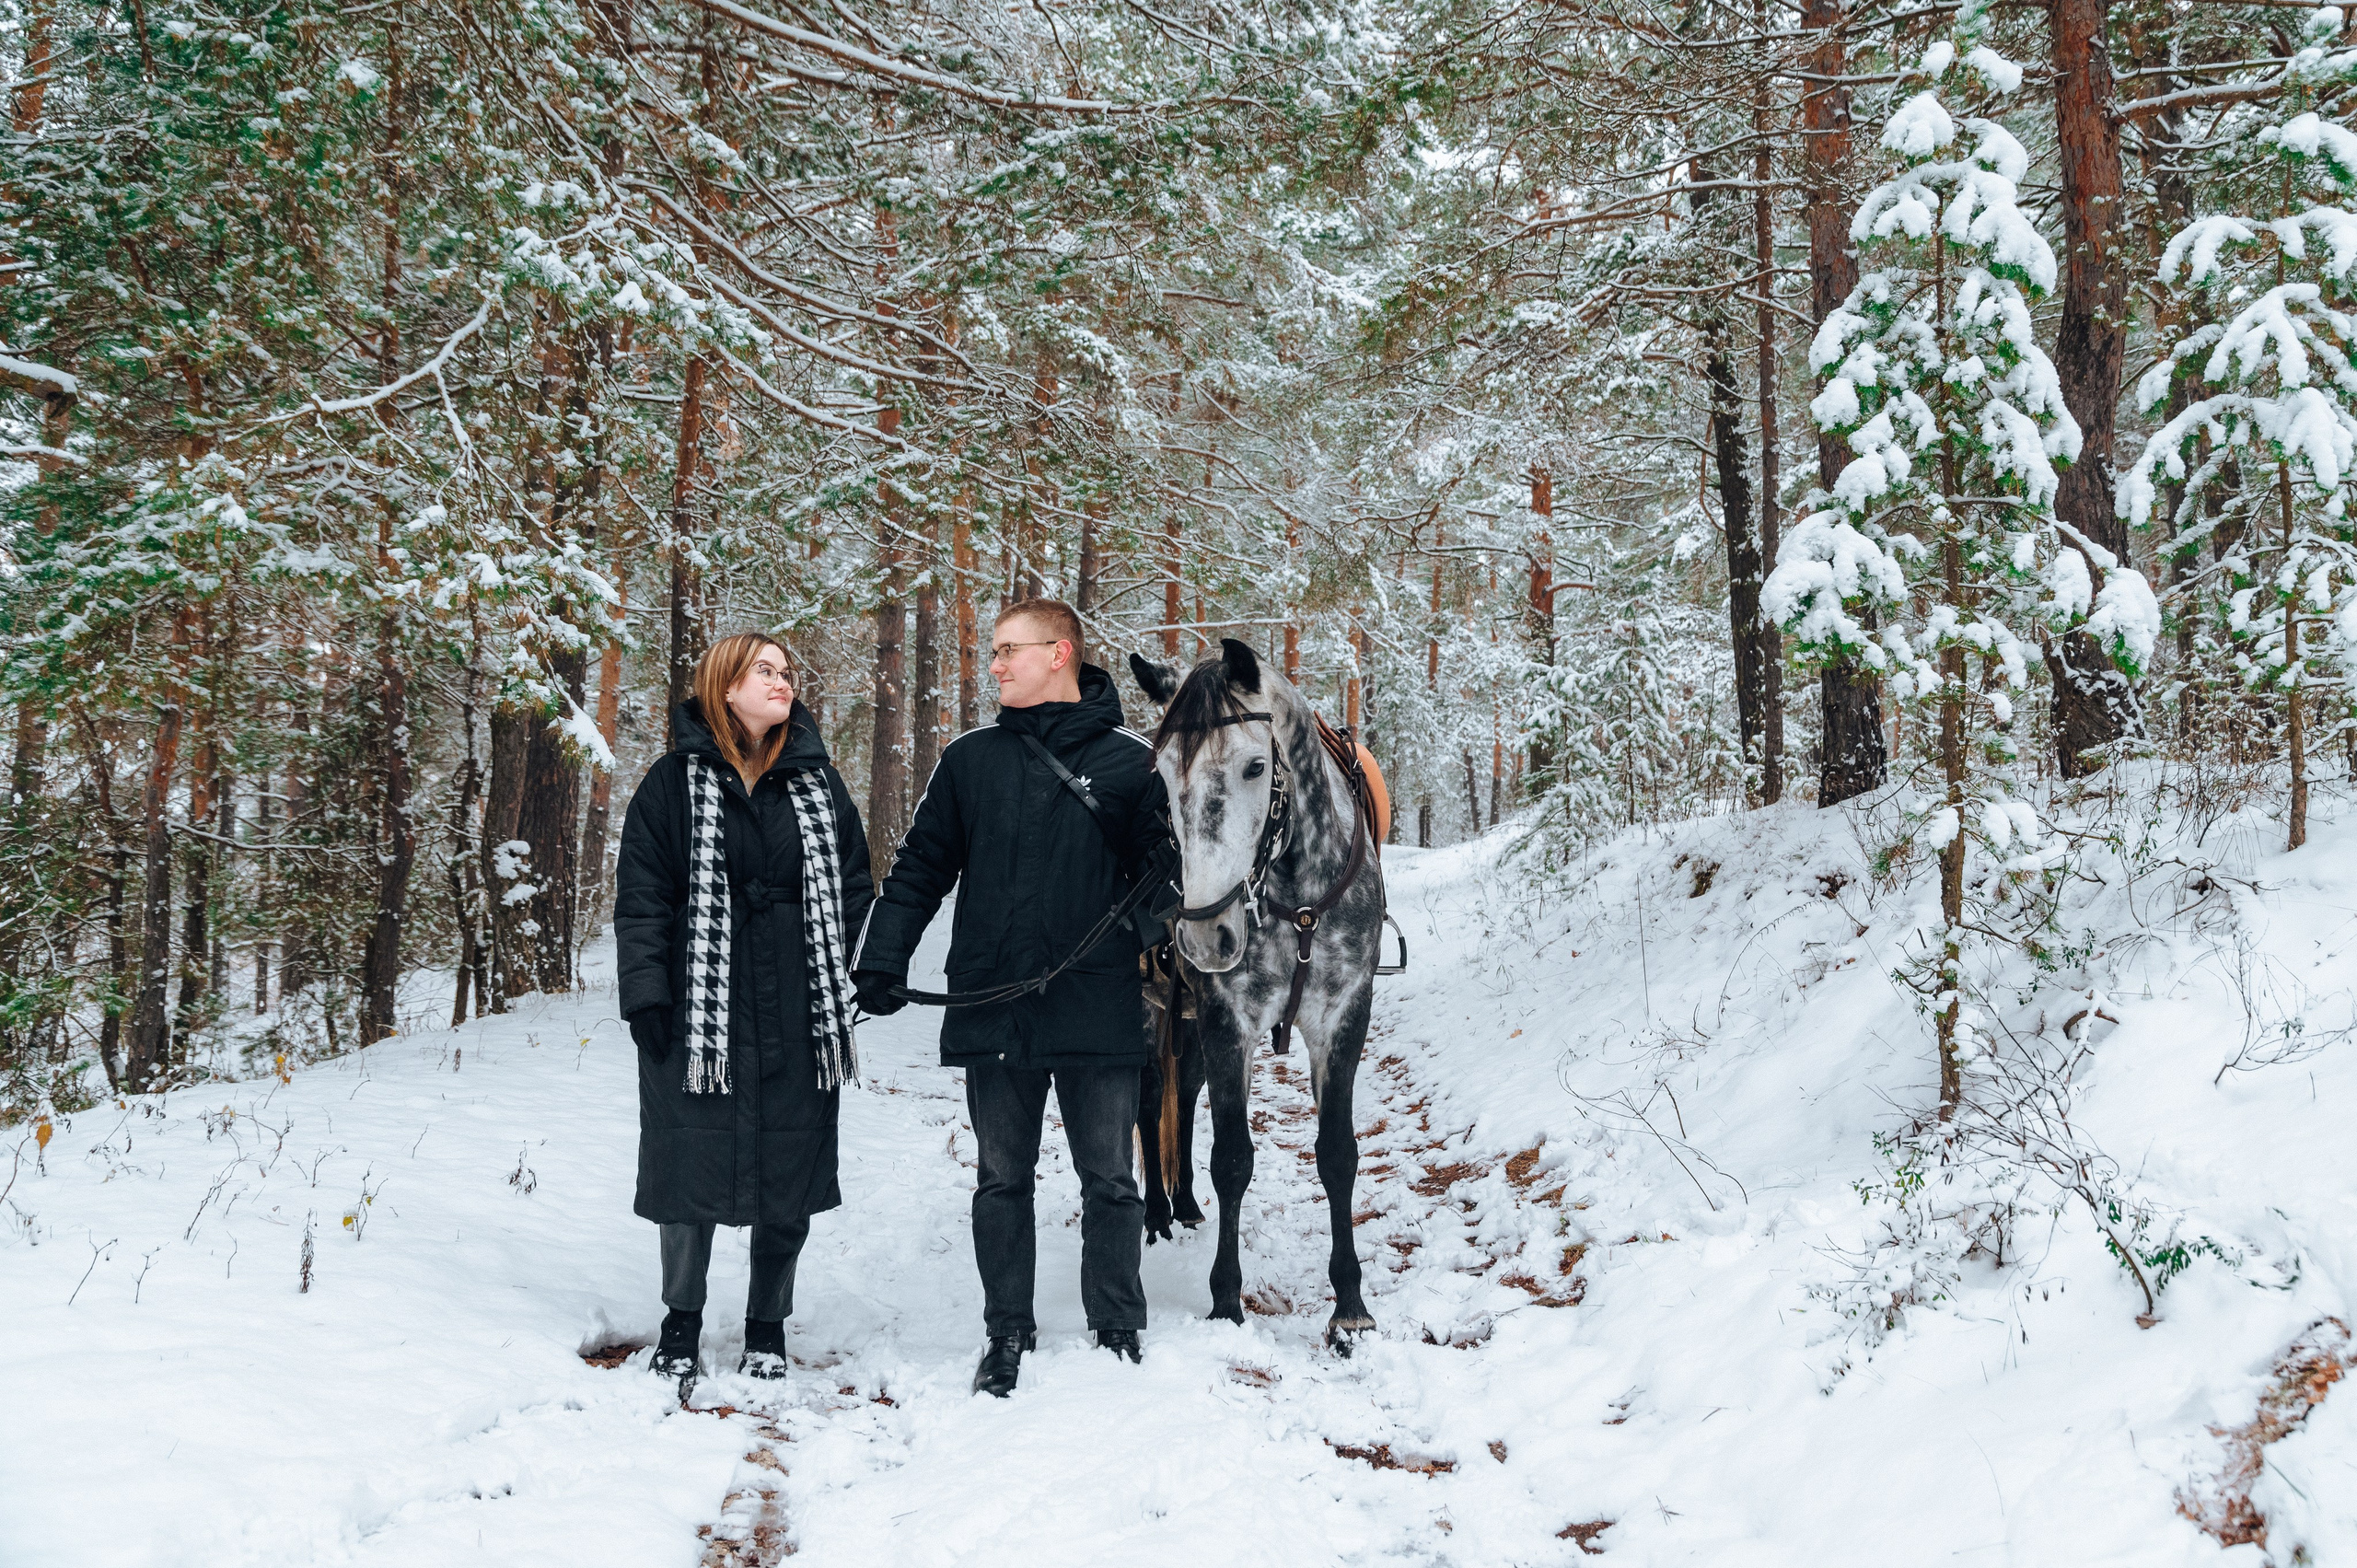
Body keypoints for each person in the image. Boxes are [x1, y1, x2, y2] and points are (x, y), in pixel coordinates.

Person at [851, 598, 1167, 1397]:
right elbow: (921, 866)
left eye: (1007, 650)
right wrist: (882, 960)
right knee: (1001, 1177)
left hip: (1095, 1002)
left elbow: (1169, 878)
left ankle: (1118, 1322)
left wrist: (1147, 919)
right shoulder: (970, 761)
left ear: (1059, 653)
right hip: (992, 1000)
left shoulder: (1134, 763)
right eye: (993, 652)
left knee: (1111, 1177)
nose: (994, 665)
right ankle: (1006, 1330)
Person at [614, 633, 873, 1391]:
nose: (782, 680)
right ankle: (681, 1320)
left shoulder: (820, 785)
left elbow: (854, 889)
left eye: (788, 670)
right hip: (699, 1009)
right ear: (726, 686)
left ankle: (768, 1323)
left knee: (787, 1168)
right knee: (687, 1166)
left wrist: (870, 966)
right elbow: (642, 898)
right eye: (765, 669)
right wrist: (646, 993)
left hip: (799, 1001)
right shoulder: (670, 784)